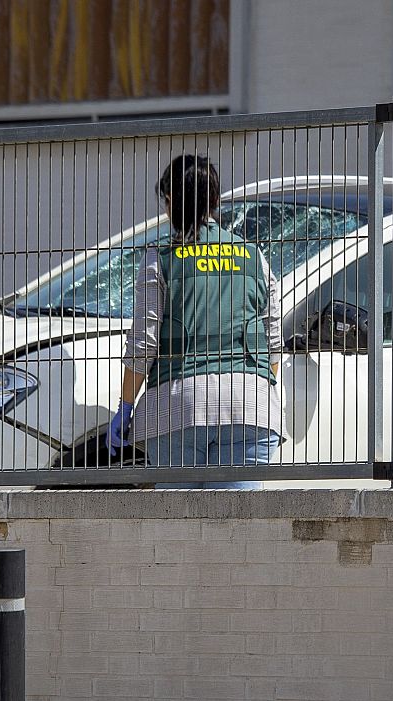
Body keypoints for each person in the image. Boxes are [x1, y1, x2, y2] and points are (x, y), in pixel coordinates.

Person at [108, 154, 285, 489]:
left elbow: (143, 344)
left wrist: (126, 406)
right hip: (250, 407)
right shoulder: (253, 256)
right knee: (239, 529)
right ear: (215, 201)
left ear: (170, 202)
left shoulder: (159, 258)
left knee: (180, 532)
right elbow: (273, 343)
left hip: (178, 409)